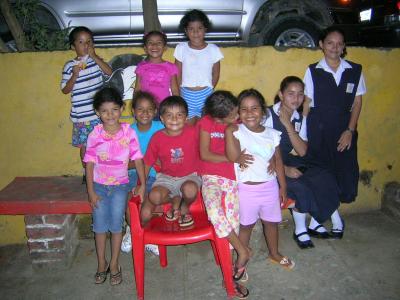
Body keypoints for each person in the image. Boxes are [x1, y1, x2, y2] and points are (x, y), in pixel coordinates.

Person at [303, 26, 367, 238]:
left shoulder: (354, 70)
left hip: (343, 131)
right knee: (323, 175)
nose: (335, 47)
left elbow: (357, 103)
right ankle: (332, 218)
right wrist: (303, 133)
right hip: (319, 130)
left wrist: (350, 130)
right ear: (321, 44)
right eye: (330, 42)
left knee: (344, 176)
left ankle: (318, 220)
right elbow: (307, 103)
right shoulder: (313, 70)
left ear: (344, 47)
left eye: (339, 43)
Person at [265, 76, 341, 249]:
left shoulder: (299, 117)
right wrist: (283, 169)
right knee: (299, 185)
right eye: (290, 93)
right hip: (268, 164)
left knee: (324, 176)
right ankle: (300, 229)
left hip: (289, 159)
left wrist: (289, 126)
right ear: (281, 95)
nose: (296, 98)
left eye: (300, 94)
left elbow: (302, 151)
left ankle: (316, 221)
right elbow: (259, 151)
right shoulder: (268, 115)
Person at [225, 89, 295, 271]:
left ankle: (274, 253)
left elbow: (278, 160)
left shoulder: (272, 134)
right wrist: (229, 128)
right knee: (246, 226)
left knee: (271, 223)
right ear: (238, 113)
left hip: (270, 187)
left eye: (254, 108)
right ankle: (242, 256)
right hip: (246, 190)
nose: (249, 113)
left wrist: (283, 186)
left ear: (263, 111)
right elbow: (232, 156)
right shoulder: (236, 131)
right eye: (244, 109)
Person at [84, 87, 146, 285]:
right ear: (97, 113)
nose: (110, 115)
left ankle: (114, 264)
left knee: (117, 226)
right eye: (104, 111)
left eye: (114, 109)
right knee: (100, 228)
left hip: (120, 186)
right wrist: (91, 192)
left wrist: (142, 184)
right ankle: (101, 263)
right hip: (99, 187)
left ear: (121, 109)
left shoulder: (129, 132)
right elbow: (90, 165)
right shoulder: (95, 134)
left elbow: (137, 160)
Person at [198, 91, 250, 299]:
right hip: (210, 177)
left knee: (232, 222)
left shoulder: (239, 123)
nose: (237, 114)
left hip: (231, 178)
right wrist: (232, 158)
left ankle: (229, 274)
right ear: (218, 117)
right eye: (233, 113)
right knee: (214, 211)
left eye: (237, 110)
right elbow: (205, 154)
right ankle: (243, 250)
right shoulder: (206, 123)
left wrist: (234, 160)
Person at [61, 26, 113, 183]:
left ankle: (101, 171)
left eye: (89, 42)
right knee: (85, 146)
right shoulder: (70, 66)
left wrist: (95, 56)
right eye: (81, 42)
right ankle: (87, 172)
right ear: (73, 46)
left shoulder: (95, 62)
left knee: (103, 144)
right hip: (81, 116)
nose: (86, 45)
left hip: (100, 114)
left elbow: (109, 73)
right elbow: (65, 90)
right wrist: (74, 75)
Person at [141, 96, 202, 228]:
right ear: (162, 119)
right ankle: (175, 198)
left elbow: (205, 151)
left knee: (190, 189)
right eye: (169, 115)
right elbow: (147, 162)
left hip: (190, 176)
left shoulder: (194, 133)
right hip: (166, 178)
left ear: (186, 117)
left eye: (179, 115)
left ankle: (184, 207)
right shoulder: (157, 137)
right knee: (154, 196)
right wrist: (142, 184)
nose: (174, 119)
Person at [121, 91, 164, 255]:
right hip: (132, 174)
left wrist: (156, 162)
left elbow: (167, 154)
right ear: (133, 112)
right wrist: (145, 160)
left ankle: (148, 237)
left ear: (155, 111)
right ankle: (132, 232)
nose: (145, 113)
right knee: (130, 202)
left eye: (149, 109)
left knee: (149, 202)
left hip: (155, 175)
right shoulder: (127, 131)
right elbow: (123, 163)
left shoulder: (160, 128)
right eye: (140, 109)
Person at [174, 9, 224, 123]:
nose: (195, 32)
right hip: (185, 94)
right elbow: (177, 73)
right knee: (187, 125)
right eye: (191, 29)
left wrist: (210, 88)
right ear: (186, 31)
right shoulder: (181, 48)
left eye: (199, 28)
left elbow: (216, 73)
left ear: (205, 29)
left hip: (205, 94)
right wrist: (179, 93)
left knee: (204, 126)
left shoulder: (213, 49)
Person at [135, 31, 179, 107]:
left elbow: (174, 89)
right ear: (145, 48)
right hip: (146, 107)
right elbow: (137, 88)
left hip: (164, 106)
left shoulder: (171, 67)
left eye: (159, 43)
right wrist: (135, 105)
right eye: (150, 43)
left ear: (165, 47)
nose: (154, 45)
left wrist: (177, 104)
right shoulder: (141, 66)